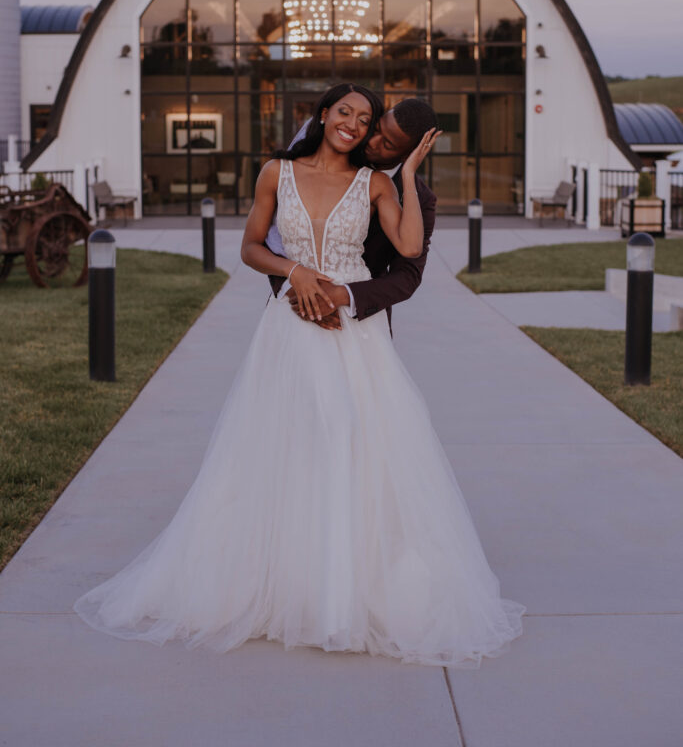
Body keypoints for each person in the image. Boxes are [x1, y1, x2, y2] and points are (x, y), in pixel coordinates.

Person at [74, 82, 525, 668]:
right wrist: (298, 280)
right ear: (323, 114)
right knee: (283, 445)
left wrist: (405, 178)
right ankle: (280, 578)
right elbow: (252, 246)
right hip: (288, 329)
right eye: (349, 113)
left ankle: (344, 590)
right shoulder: (274, 172)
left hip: (355, 336)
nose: (359, 127)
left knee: (349, 440)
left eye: (369, 123)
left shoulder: (382, 182)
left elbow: (410, 258)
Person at [267, 96, 439, 335]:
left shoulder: (420, 199)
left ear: (409, 154)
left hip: (358, 323)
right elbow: (276, 235)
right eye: (376, 129)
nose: (372, 142)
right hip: (294, 308)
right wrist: (296, 290)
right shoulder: (328, 152)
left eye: (387, 145)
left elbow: (407, 277)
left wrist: (342, 296)